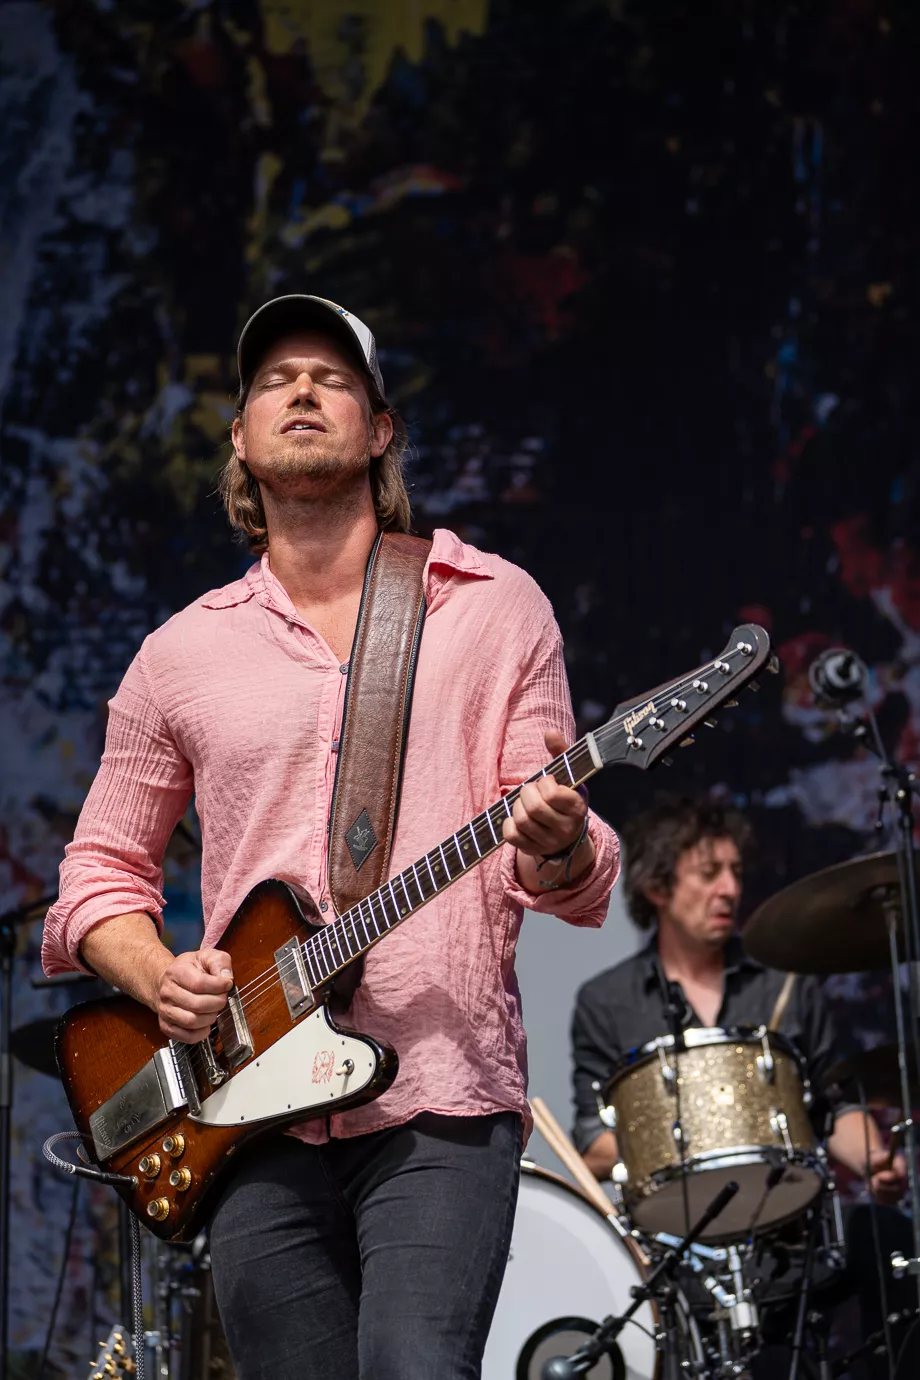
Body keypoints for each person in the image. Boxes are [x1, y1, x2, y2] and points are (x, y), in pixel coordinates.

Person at [41, 294, 621, 1380]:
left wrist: (560, 840)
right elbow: (98, 874)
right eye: (275, 380)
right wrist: (158, 976)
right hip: (247, 1102)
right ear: (239, 437)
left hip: (438, 1090)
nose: (302, 390)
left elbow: (560, 872)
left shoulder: (492, 607)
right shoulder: (179, 655)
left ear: (380, 428)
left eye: (332, 378)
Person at [570, 795, 913, 1375]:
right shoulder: (607, 1003)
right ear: (657, 887)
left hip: (791, 1235)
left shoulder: (784, 984)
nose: (730, 889)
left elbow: (829, 1108)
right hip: (681, 1251)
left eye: (735, 872)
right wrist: (697, 1138)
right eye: (709, 874)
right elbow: (592, 1142)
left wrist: (875, 1158)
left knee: (888, 1237)